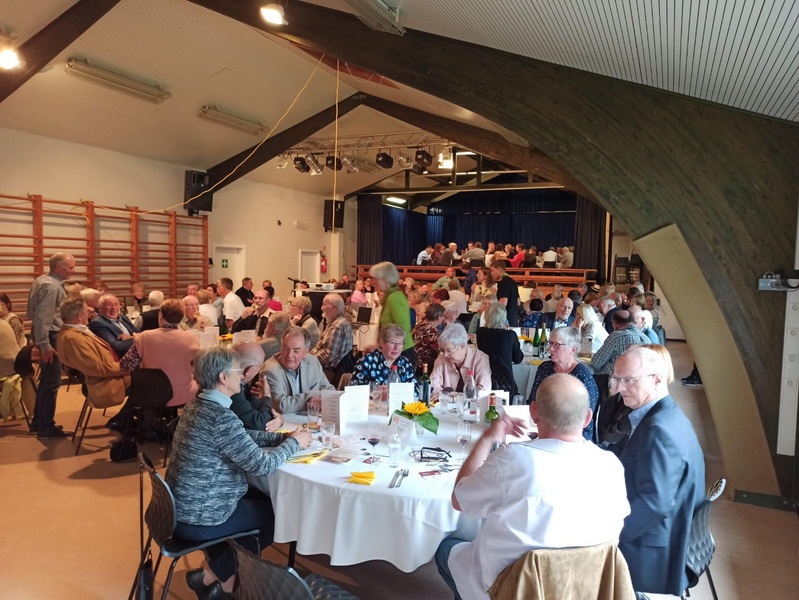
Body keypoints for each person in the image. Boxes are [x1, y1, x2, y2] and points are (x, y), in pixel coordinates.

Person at [435, 373, 630, 600]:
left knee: (447, 548)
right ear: (587, 418)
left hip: (514, 589)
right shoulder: (611, 465)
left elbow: (459, 500)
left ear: (534, 412)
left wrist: (488, 438)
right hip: (584, 588)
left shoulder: (514, 460)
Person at [166, 346, 311, 598]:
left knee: (261, 504)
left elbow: (240, 437)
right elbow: (262, 466)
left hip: (180, 508)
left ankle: (219, 579)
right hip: (200, 517)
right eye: (237, 372)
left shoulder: (198, 405)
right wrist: (294, 444)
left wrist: (280, 438)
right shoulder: (221, 417)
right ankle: (222, 578)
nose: (242, 376)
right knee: (278, 514)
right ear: (223, 377)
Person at [611, 347, 705, 596]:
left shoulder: (659, 430)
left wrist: (607, 535)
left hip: (651, 552)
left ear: (656, 379)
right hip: (663, 533)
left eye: (628, 380)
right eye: (617, 379)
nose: (619, 388)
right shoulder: (666, 414)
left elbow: (654, 504)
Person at [27, 252, 76, 437]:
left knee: (46, 380)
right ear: (58, 267)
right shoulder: (51, 287)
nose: (73, 270)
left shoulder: (42, 280)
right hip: (50, 336)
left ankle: (38, 422)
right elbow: (43, 318)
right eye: (70, 267)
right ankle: (46, 427)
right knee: (52, 382)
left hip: (45, 334)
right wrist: (45, 345)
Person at [119, 298, 200, 408]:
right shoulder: (192, 338)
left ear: (161, 316)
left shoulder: (144, 337)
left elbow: (125, 366)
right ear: (181, 317)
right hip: (184, 393)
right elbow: (198, 366)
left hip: (150, 393)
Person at [56, 296, 128, 412]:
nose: (91, 314)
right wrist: (126, 367)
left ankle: (124, 420)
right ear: (80, 316)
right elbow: (97, 368)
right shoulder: (73, 338)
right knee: (150, 381)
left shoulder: (76, 332)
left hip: (111, 373)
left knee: (148, 377)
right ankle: (132, 421)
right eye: (87, 312)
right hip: (105, 382)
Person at [528, 326, 598, 440]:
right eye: (550, 343)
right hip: (541, 428)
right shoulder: (544, 368)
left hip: (572, 436)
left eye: (556, 345)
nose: (550, 349)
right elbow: (533, 400)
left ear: (573, 349)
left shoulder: (583, 376)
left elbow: (585, 416)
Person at [262, 326, 335, 414]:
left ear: (305, 352)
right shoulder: (270, 371)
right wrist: (313, 395)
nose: (289, 355)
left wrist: (321, 401)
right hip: (283, 423)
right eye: (285, 349)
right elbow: (281, 405)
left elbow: (330, 391)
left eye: (296, 351)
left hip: (310, 419)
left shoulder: (312, 362)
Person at [229, 341, 283, 431]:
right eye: (260, 367)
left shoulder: (242, 383)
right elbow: (260, 424)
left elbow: (261, 415)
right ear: (249, 370)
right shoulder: (232, 389)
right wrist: (267, 396)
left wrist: (279, 419)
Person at [370, 262, 415, 365]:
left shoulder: (394, 297)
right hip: (394, 351)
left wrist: (378, 346)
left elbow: (402, 327)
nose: (373, 282)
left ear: (385, 279)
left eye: (375, 278)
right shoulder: (390, 296)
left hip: (400, 352)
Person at [476, 303, 524, 395]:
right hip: (505, 382)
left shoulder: (480, 332)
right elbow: (518, 359)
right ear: (504, 318)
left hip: (484, 377)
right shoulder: (510, 335)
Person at [431, 323, 491, 395]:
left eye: (449, 350)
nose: (445, 355)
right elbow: (433, 385)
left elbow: (484, 389)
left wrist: (453, 396)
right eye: (443, 350)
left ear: (462, 346)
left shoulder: (480, 359)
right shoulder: (441, 358)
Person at [350, 324, 416, 386]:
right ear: (381, 342)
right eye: (392, 342)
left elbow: (415, 391)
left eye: (400, 343)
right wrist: (376, 391)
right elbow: (354, 391)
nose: (396, 347)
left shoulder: (405, 363)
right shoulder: (366, 362)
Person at [593, 310, 651, 376]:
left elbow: (596, 363)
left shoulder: (616, 337)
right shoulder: (646, 339)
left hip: (613, 381)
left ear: (614, 323)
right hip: (638, 380)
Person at [311, 293, 353, 382]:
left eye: (324, 304)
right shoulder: (339, 322)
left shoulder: (337, 326)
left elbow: (328, 355)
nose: (321, 308)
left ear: (334, 308)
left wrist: (309, 359)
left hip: (331, 373)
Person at [412, 303, 445, 373]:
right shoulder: (431, 330)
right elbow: (438, 348)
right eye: (443, 316)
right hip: (421, 362)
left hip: (413, 358)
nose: (443, 318)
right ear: (438, 317)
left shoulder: (419, 325)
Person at [490, 260, 520, 327]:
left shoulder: (503, 282)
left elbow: (503, 303)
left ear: (499, 269)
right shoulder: (512, 281)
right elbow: (518, 302)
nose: (491, 273)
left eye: (492, 271)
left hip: (505, 320)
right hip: (514, 318)